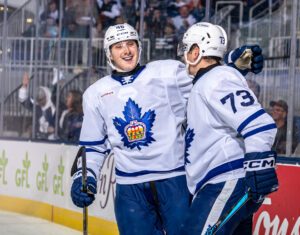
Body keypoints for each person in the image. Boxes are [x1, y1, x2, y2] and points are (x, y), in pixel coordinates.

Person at [70, 23, 265, 235]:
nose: (126, 50)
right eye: (118, 46)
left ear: (139, 47)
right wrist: (84, 176)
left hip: (175, 181)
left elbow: (206, 77)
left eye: (130, 44)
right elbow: (93, 146)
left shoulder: (167, 72)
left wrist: (231, 64)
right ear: (109, 53)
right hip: (130, 188)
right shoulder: (95, 94)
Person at [177, 22, 279, 234]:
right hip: (224, 182)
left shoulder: (216, 79)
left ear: (196, 51)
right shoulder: (211, 79)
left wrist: (258, 165)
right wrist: (233, 65)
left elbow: (260, 125)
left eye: (187, 49)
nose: (184, 55)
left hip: (225, 182)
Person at [18, 72, 56, 140]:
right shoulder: (36, 105)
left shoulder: (54, 107)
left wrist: (54, 129)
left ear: (46, 97)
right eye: (38, 100)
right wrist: (24, 86)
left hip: (52, 140)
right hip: (36, 138)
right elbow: (22, 100)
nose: (40, 102)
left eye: (41, 100)